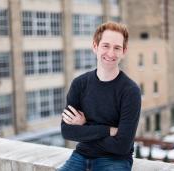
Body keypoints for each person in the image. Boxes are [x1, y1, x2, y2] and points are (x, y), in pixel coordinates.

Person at [59, 21, 141, 171]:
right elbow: (67, 131)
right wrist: (108, 130)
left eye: (117, 48)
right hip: (81, 156)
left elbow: (122, 145)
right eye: (105, 46)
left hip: (115, 160)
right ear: (95, 47)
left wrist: (84, 128)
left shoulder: (130, 91)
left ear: (124, 51)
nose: (111, 53)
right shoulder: (79, 84)